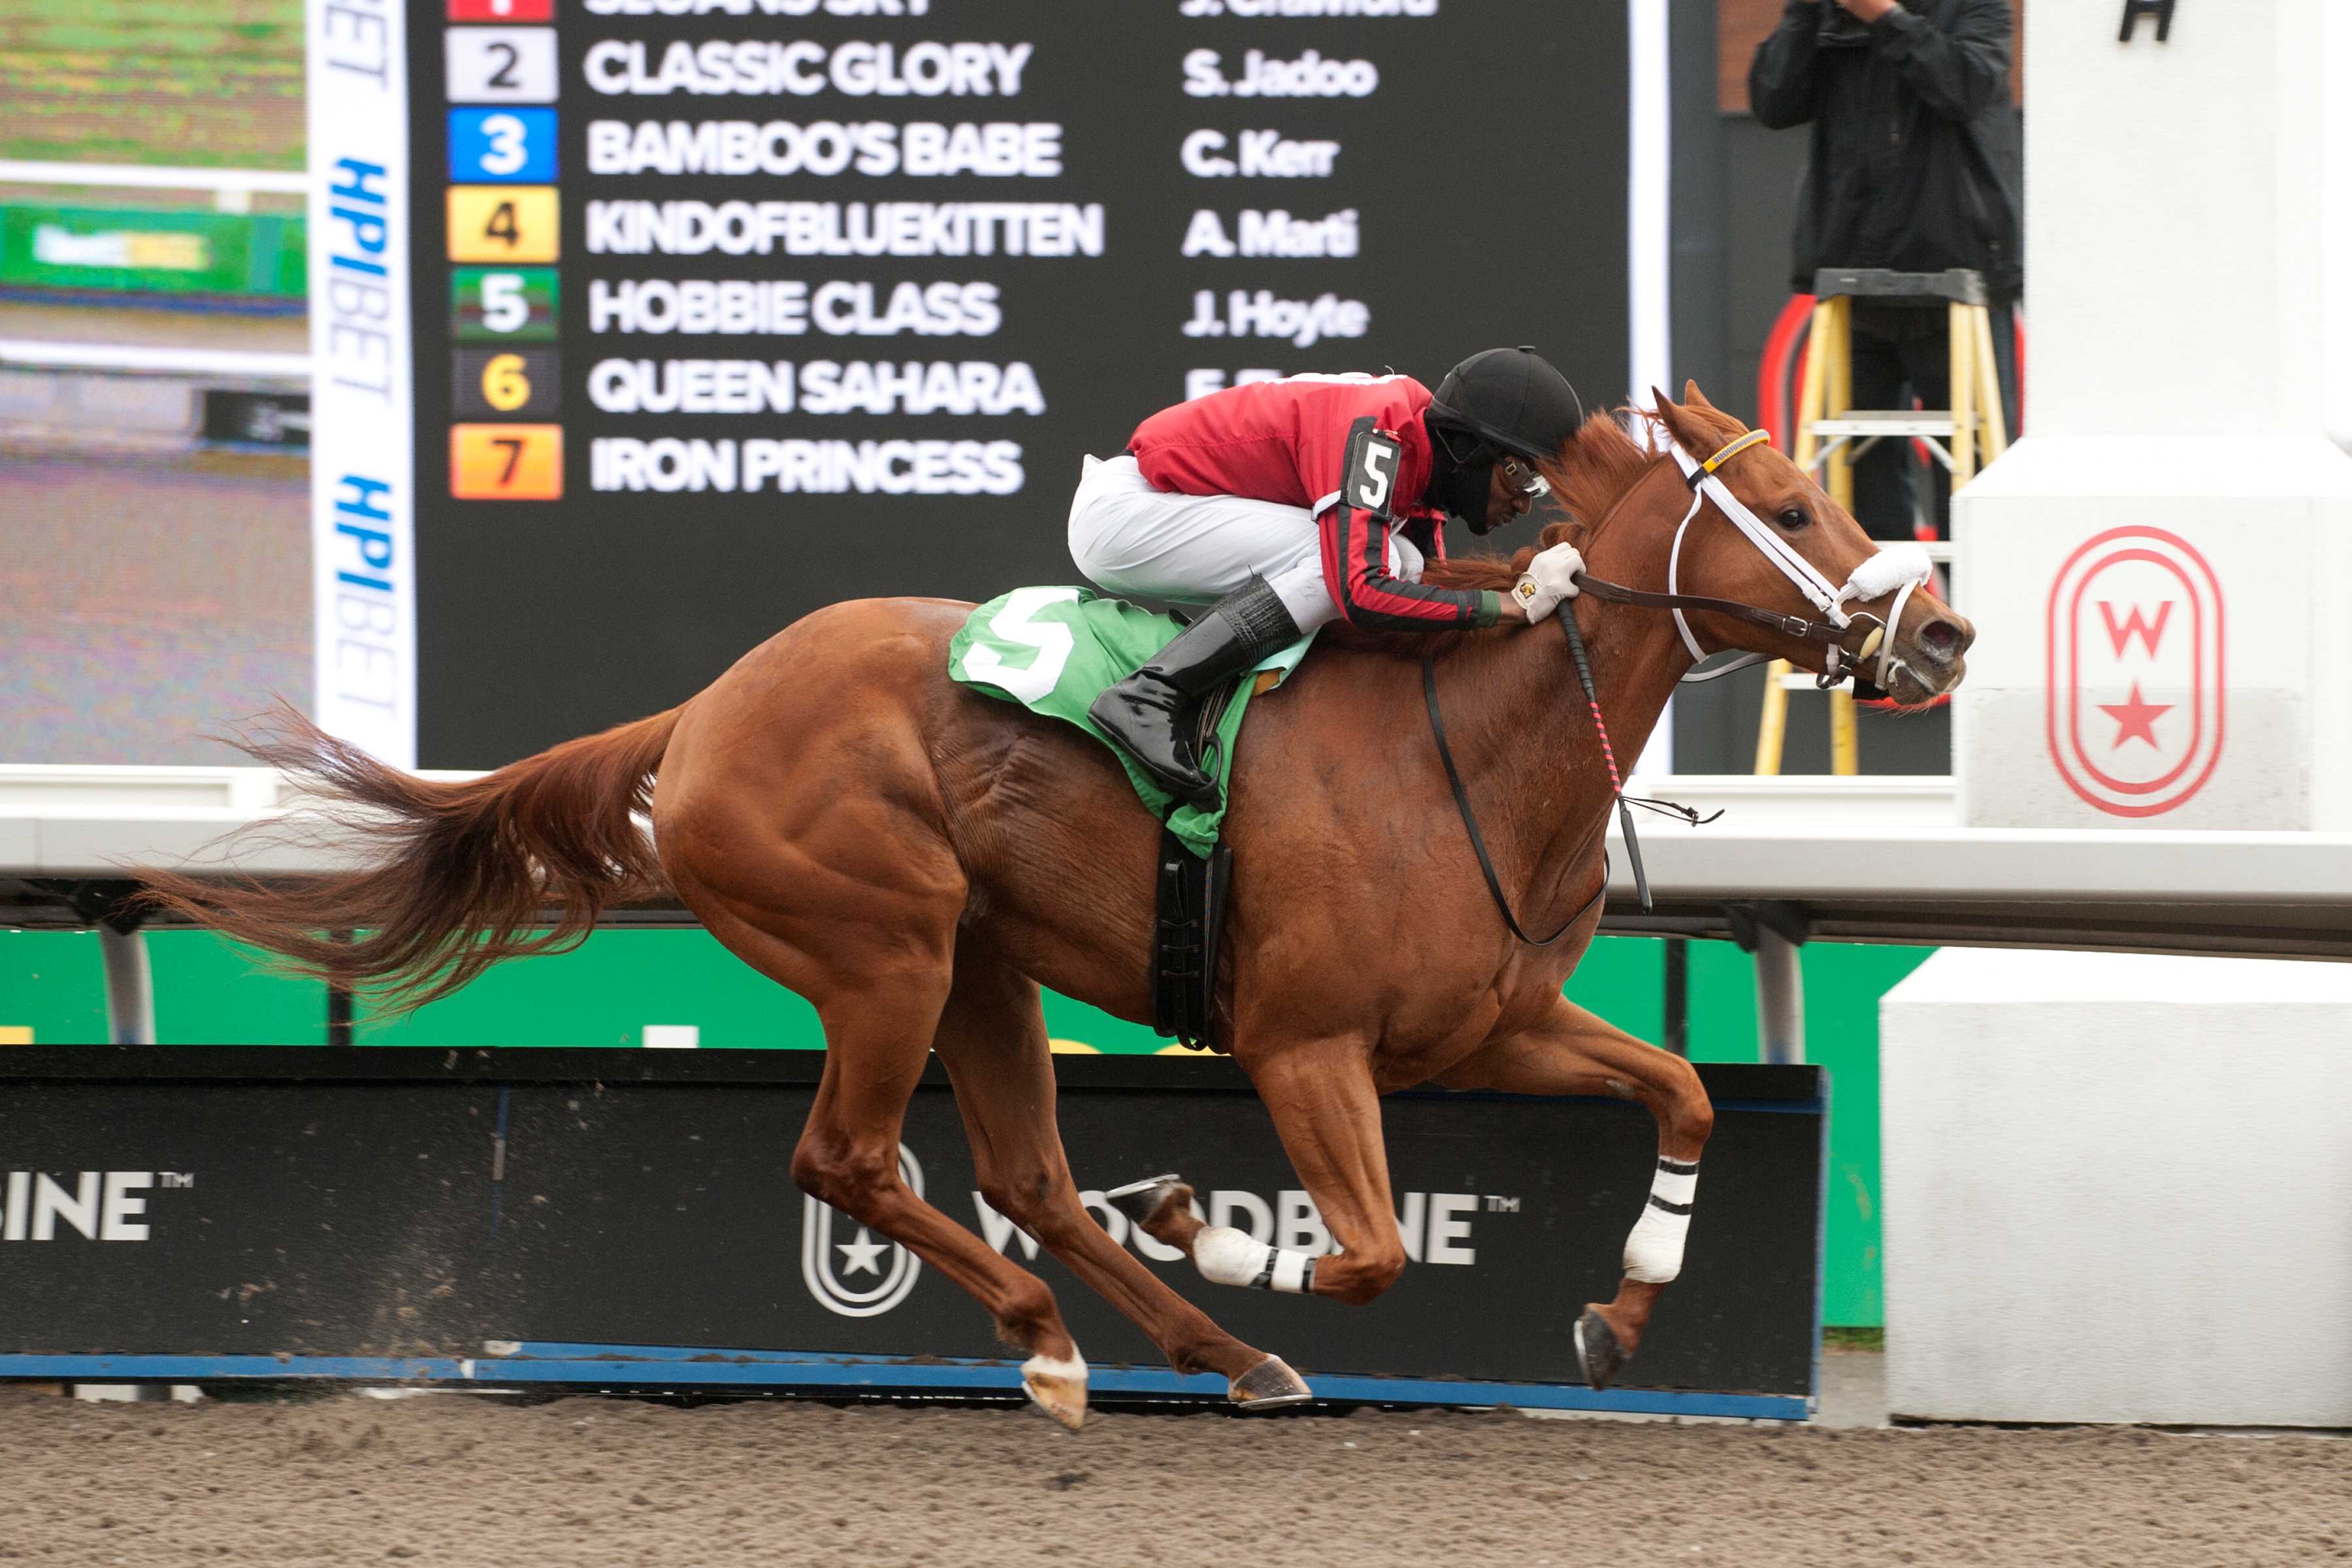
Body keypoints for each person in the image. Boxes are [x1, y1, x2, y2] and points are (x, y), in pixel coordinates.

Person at [1068, 348, 1590, 806]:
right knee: (1368, 563)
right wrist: (1515, 602)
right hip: (1128, 511)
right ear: (1468, 448)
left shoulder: (1419, 459)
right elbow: (1360, 591)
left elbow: (1427, 596)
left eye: (1539, 487)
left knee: (1404, 563)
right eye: (1522, 476)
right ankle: (1152, 693)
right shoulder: (1380, 435)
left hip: (1157, 507)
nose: (1525, 503)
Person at [1750, 0, 2021, 541]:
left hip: (1959, 279)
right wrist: (1805, 13)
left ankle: (1979, 594)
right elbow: (1774, 101)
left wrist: (1885, 17)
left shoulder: (1973, 6)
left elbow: (1967, 86)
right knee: (1862, 488)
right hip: (1853, 279)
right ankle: (1884, 598)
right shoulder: (1825, 14)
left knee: (1973, 482)